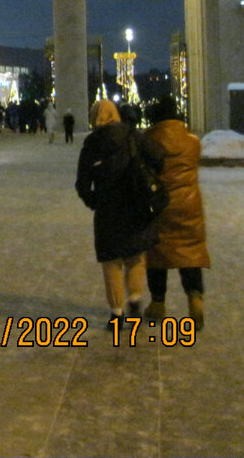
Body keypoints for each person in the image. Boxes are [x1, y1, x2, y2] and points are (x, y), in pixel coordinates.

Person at [75, 98, 163, 329]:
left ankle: (116, 313)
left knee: (111, 263)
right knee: (136, 257)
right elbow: (159, 156)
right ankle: (134, 299)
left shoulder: (91, 144)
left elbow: (82, 184)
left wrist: (94, 201)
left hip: (107, 212)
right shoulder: (133, 136)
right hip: (136, 207)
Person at [142, 96, 210, 329]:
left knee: (157, 255)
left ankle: (158, 304)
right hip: (188, 205)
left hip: (160, 206)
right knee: (189, 253)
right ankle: (195, 298)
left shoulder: (149, 141)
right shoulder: (192, 142)